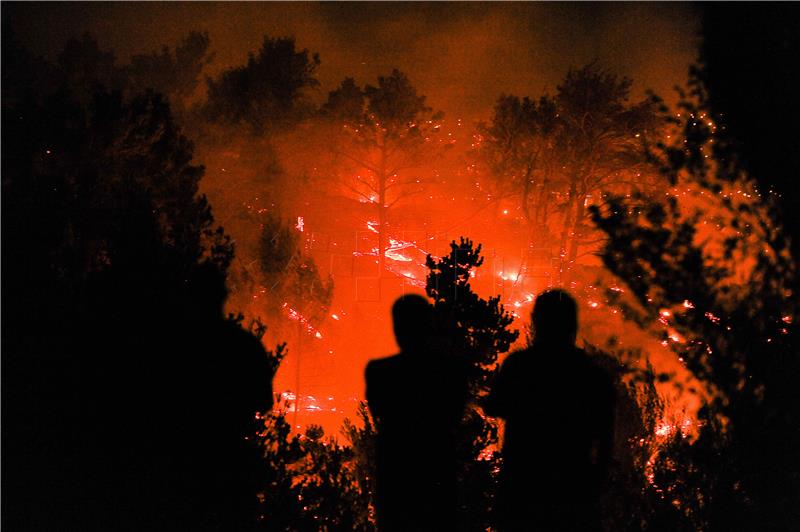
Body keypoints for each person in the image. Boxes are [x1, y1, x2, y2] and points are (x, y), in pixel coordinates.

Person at [485, 289, 615, 532]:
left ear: (536, 322)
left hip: (522, 489)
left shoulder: (519, 366)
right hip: (573, 491)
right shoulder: (591, 374)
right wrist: (595, 483)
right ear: (572, 324)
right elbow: (606, 436)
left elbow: (494, 406)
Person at [365, 295, 468, 531]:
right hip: (437, 468)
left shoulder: (380, 372)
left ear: (397, 327)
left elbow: (377, 411)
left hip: (396, 471)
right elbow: (455, 415)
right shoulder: (452, 372)